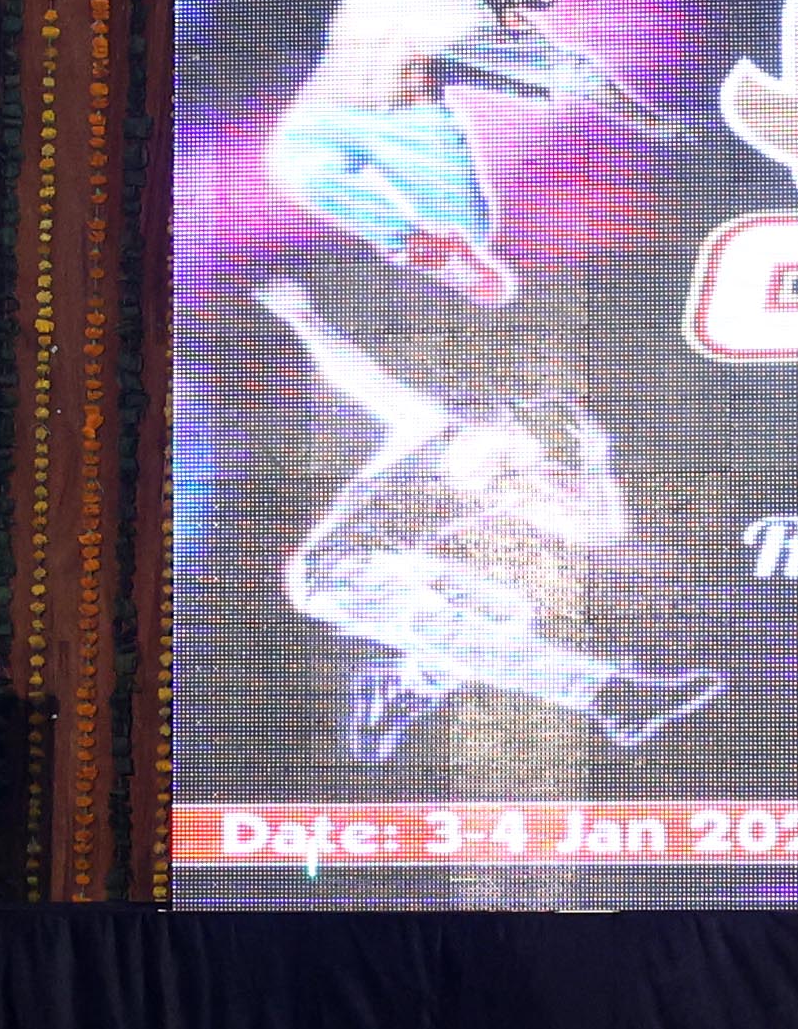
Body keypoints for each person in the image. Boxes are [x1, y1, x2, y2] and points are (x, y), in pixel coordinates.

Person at [252, 276, 725, 755]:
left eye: (549, 469)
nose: (542, 478)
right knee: (444, 625)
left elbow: (602, 532)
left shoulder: (513, 488)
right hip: (337, 570)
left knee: (504, 609)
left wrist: (596, 466)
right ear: (511, 428)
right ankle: (608, 696)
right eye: (537, 461)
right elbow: (358, 377)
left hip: (410, 572)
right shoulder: (433, 430)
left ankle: (406, 686)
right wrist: (301, 317)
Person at [265, 0, 676, 307]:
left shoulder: (503, 28)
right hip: (325, 114)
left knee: (469, 227)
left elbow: (581, 75)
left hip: (411, 127)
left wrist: (654, 123)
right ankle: (408, 244)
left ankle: (448, 249)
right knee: (301, 168)